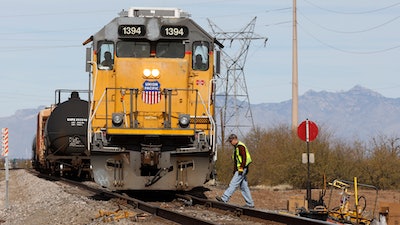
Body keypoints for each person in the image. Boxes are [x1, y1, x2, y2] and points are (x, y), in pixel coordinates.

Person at [216, 134, 254, 208]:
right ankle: (250, 203)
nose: (230, 143)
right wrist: (235, 170)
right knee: (244, 187)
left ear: (235, 139)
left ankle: (224, 198)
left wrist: (241, 168)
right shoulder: (236, 147)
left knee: (233, 184)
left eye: (231, 141)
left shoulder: (240, 146)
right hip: (241, 169)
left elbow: (244, 158)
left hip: (242, 169)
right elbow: (236, 161)